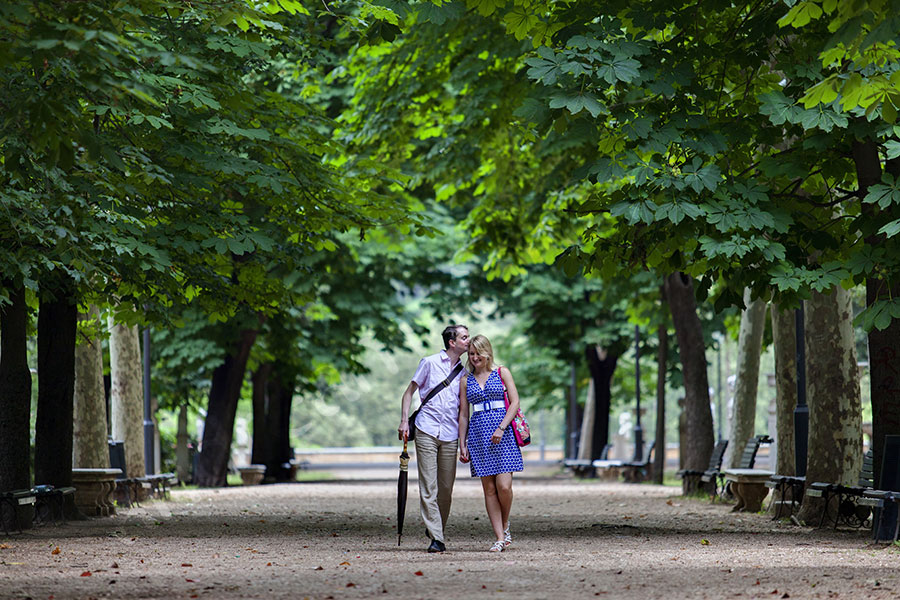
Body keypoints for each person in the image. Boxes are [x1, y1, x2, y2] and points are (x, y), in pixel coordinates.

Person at [398, 324, 470, 553]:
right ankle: (438, 538)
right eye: (464, 337)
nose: (468, 341)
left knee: (446, 489)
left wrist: (463, 442)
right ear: (452, 342)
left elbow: (463, 412)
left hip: (449, 435)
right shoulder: (429, 363)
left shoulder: (464, 372)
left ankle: (435, 528)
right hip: (426, 429)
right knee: (428, 486)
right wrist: (403, 421)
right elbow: (409, 392)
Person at [458, 335, 523, 552]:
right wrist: (462, 443)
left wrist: (502, 427)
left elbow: (514, 402)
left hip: (502, 432)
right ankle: (499, 537)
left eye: (478, 353)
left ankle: (505, 524)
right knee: (489, 489)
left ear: (487, 353)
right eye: (472, 354)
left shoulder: (502, 372)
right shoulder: (466, 380)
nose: (475, 358)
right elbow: (464, 415)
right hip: (478, 434)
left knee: (504, 486)